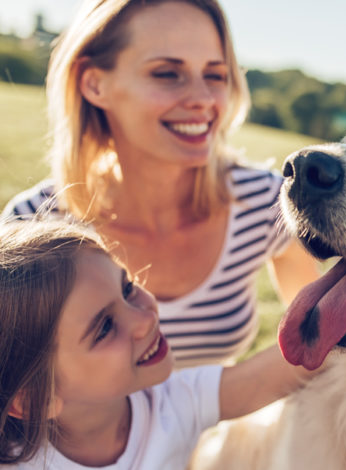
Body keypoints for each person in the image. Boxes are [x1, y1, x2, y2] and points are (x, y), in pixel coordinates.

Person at [1, 0, 322, 367]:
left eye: (216, 75)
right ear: (94, 83)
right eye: (167, 74)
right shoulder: (33, 225)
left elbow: (318, 346)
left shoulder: (266, 202)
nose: (203, 100)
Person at [0, 219, 316, 468]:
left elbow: (271, 373)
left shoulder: (172, 404)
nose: (146, 319)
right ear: (33, 401)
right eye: (105, 327)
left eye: (126, 288)